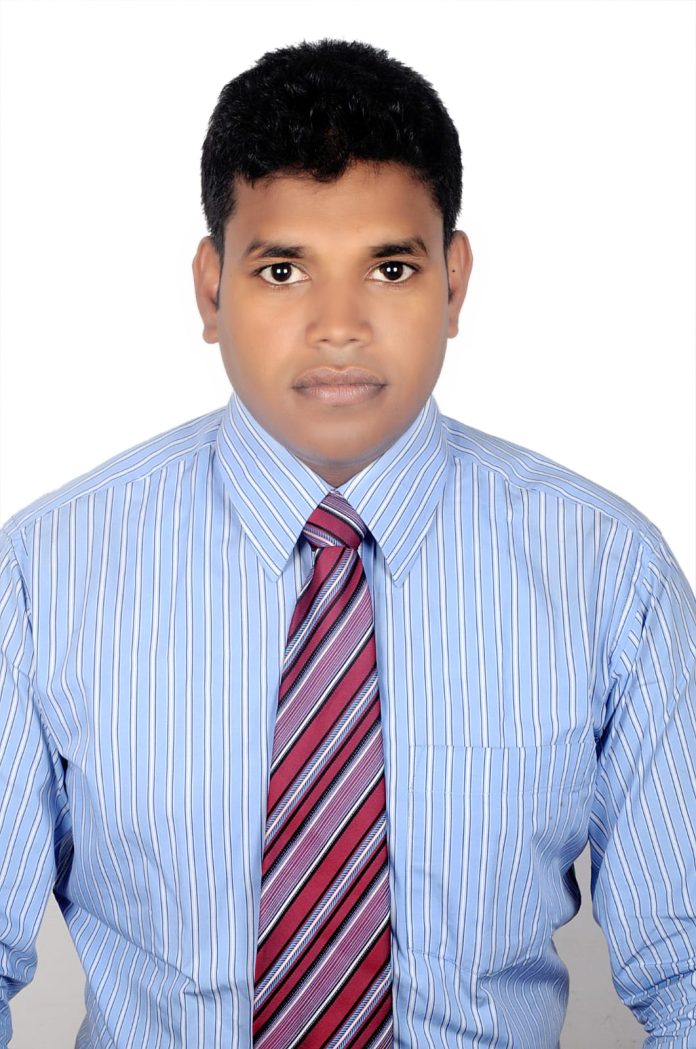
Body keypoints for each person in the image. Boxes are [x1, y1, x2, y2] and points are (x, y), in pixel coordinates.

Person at [1, 36, 694, 1049]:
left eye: (391, 267)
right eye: (283, 269)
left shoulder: (609, 576)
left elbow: (689, 970)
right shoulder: (44, 573)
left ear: (454, 283)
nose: (338, 325)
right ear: (211, 289)